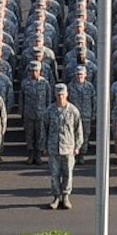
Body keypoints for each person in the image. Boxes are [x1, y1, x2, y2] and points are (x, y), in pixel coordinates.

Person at [42, 83, 83, 211]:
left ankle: (65, 196)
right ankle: (56, 197)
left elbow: (78, 130)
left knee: (67, 174)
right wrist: (44, 146)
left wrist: (77, 146)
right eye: (58, 95)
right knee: (54, 174)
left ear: (67, 95)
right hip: (54, 147)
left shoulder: (73, 111)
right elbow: (44, 129)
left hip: (68, 148)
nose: (61, 97)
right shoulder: (49, 111)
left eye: (63, 95)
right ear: (55, 95)